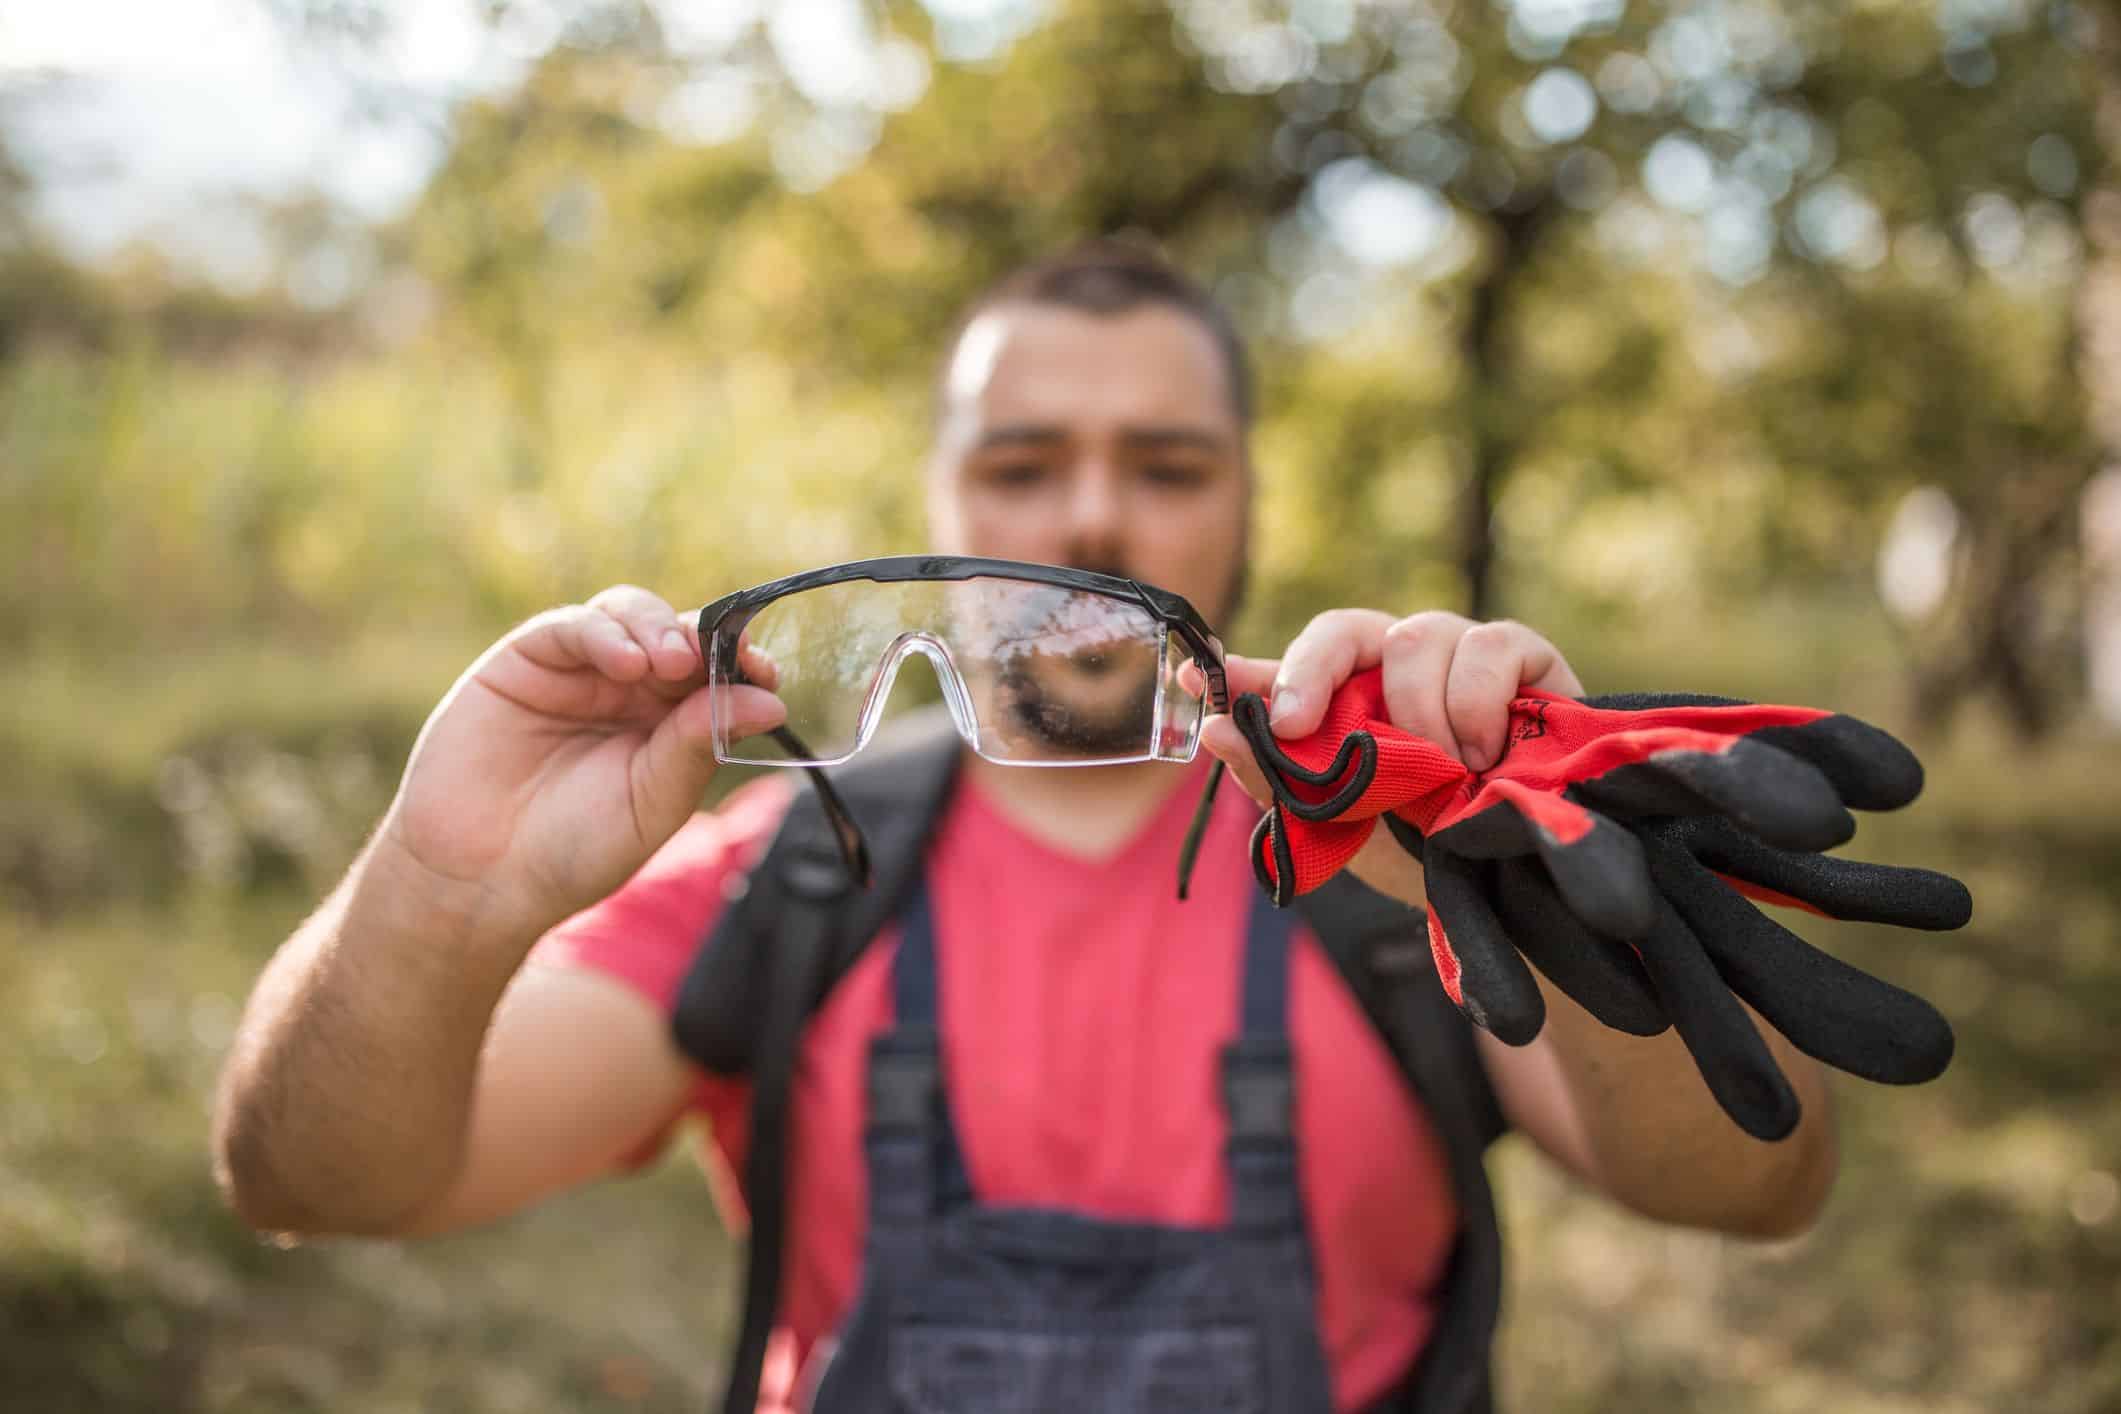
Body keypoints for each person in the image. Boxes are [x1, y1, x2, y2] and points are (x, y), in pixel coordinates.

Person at [212, 242, 1837, 1411]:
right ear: (941, 498)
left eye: (1166, 462)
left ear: (1247, 502)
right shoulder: (788, 869)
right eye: (1021, 461)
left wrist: (1551, 890)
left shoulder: (1399, 868)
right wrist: (437, 891)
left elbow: (1756, 1193)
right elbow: (318, 1178)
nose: (1088, 519)